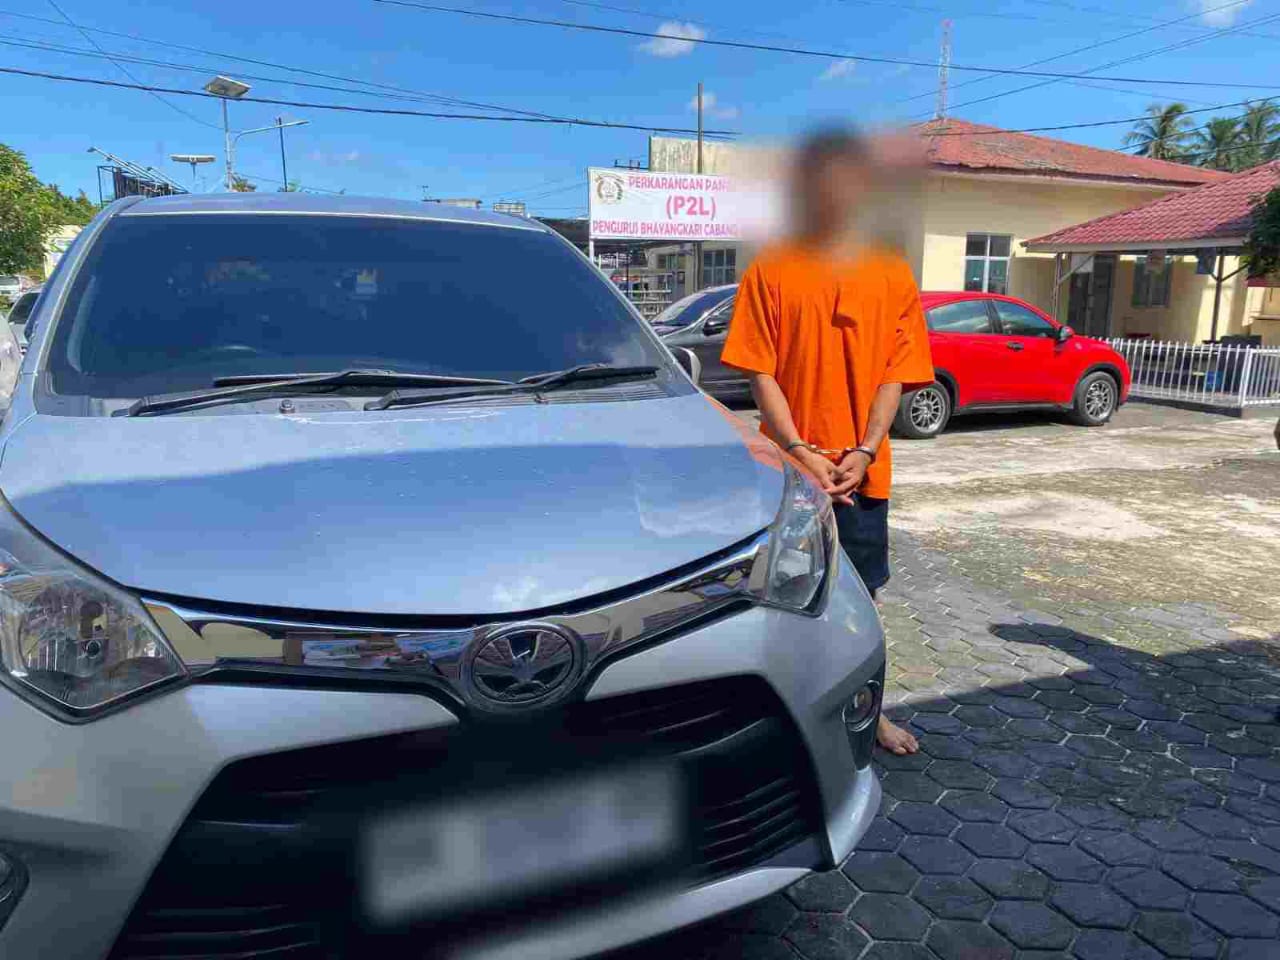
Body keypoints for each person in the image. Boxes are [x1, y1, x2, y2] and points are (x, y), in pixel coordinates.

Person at [721, 129, 935, 756]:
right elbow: (759, 371)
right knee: (781, 604)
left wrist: (864, 451)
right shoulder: (771, 269)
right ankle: (786, 721)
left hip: (862, 474)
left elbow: (895, 374)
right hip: (785, 474)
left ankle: (870, 713)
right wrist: (799, 450)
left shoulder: (890, 272)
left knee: (862, 601)